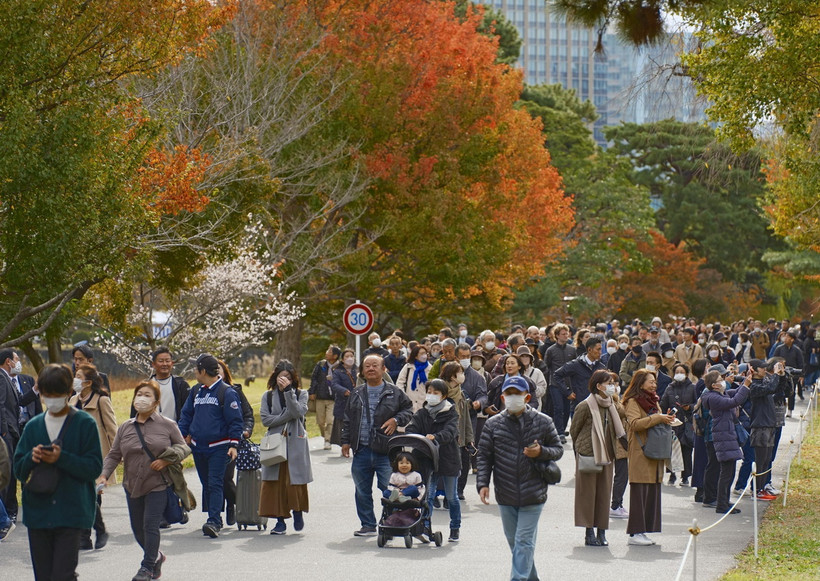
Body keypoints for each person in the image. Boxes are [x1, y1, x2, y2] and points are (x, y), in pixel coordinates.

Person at [13, 364, 102, 581]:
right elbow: (18, 469)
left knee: (62, 575)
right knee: (43, 576)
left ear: (68, 392)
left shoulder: (84, 423)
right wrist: (30, 459)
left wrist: (61, 458)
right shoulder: (34, 426)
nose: (51, 399)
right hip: (38, 512)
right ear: (41, 393)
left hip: (71, 512)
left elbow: (93, 467)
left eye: (57, 394)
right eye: (47, 395)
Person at [98, 381, 190, 581]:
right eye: (139, 394)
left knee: (150, 525)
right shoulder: (125, 427)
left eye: (147, 395)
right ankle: (156, 556)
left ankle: (146, 567)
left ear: (156, 402)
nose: (142, 398)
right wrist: (104, 474)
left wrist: (166, 460)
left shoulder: (167, 425)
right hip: (132, 484)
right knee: (137, 528)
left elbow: (184, 448)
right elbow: (114, 454)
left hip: (158, 484)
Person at [477, 376, 563, 581]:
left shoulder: (543, 421)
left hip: (534, 491)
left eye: (517, 394)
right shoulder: (493, 424)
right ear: (502, 397)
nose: (513, 397)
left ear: (527, 397)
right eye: (509, 394)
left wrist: (541, 451)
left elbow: (558, 450)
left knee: (524, 541)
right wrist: (482, 483)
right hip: (505, 492)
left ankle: (518, 579)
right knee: (515, 543)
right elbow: (484, 455)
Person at [341, 354, 413, 537]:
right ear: (362, 371)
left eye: (375, 365)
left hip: (386, 451)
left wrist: (396, 420)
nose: (371, 369)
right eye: (367, 366)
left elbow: (408, 409)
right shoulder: (356, 393)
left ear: (383, 369)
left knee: (389, 489)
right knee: (361, 490)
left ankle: (390, 522)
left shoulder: (394, 392)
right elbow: (347, 418)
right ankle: (368, 524)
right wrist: (345, 441)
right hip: (362, 449)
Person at [177, 353, 244, 538]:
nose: (193, 371)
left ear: (203, 371)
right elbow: (186, 415)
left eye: (195, 368)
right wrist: (181, 435)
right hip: (199, 446)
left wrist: (233, 444)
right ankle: (214, 516)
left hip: (219, 446)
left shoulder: (226, 392)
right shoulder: (196, 391)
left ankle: (214, 521)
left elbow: (235, 420)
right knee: (206, 483)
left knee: (215, 482)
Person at [570, 369, 627, 547]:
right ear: (598, 386)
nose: (612, 387)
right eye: (609, 383)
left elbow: (622, 418)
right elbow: (574, 430)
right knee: (587, 494)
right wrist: (582, 447)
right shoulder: (585, 405)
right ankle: (589, 532)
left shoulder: (612, 405)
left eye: (613, 383)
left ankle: (602, 531)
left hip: (608, 454)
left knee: (604, 493)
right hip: (589, 454)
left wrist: (615, 400)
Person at [622, 369, 675, 545]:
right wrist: (658, 418)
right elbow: (635, 424)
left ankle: (643, 531)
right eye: (650, 382)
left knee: (651, 493)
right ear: (640, 383)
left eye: (655, 382)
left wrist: (665, 418)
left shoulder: (653, 400)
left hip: (654, 451)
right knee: (640, 493)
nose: (654, 385)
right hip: (640, 451)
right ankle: (635, 533)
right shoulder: (632, 401)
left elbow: (655, 420)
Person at [406, 378, 463, 542]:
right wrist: (418, 437)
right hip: (426, 459)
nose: (431, 396)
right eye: (429, 392)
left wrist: (435, 437)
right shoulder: (422, 413)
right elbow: (411, 428)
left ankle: (455, 527)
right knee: (427, 496)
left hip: (448, 459)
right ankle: (424, 526)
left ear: (443, 395)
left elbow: (450, 432)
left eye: (435, 393)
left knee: (452, 497)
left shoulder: (451, 412)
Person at [260, 360, 313, 535]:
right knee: (274, 482)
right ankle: (280, 521)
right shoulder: (267, 396)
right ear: (275, 378)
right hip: (275, 443)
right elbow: (266, 420)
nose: (284, 380)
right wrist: (285, 415)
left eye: (288, 377)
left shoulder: (300, 393)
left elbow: (298, 413)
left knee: (294, 481)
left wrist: (289, 393)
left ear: (293, 379)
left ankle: (297, 511)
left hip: (295, 443)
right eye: (281, 377)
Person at [70, 363, 117, 550]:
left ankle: (86, 534)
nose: (75, 378)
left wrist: (117, 455)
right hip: (74, 456)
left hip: (95, 456)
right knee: (80, 496)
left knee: (90, 495)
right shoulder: (72, 401)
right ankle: (96, 530)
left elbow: (113, 430)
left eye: (79, 376)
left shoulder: (101, 400)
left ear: (88, 382)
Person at [701, 369, 751, 514]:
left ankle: (724, 501)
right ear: (714, 385)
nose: (723, 381)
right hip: (723, 437)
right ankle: (721, 504)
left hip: (727, 436)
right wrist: (746, 385)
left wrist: (744, 382)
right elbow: (735, 401)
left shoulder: (719, 394)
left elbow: (735, 393)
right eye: (720, 380)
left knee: (728, 471)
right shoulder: (713, 398)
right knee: (726, 472)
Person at [217, 360, 254, 527]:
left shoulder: (235, 391)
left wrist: (246, 430)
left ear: (225, 372)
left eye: (219, 370)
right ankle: (216, 513)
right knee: (213, 479)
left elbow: (248, 414)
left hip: (232, 441)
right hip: (211, 442)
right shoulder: (202, 392)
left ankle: (233, 504)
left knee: (225, 477)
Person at [747, 359, 787, 500]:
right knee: (760, 460)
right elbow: (770, 388)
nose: (765, 370)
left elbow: (778, 391)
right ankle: (756, 490)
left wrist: (782, 376)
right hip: (760, 427)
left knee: (767, 460)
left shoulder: (765, 382)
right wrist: (776, 375)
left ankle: (762, 488)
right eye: (762, 368)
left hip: (769, 425)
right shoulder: (754, 386)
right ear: (755, 370)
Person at [660, 363, 697, 485]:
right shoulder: (669, 387)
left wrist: (689, 407)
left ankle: (685, 476)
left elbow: (697, 404)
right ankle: (672, 474)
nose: (679, 374)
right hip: (673, 422)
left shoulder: (692, 387)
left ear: (686, 374)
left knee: (686, 450)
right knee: (672, 449)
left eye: (682, 372)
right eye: (677, 372)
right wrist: (667, 413)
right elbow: (663, 404)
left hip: (687, 422)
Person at [0, 349, 23, 525]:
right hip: (6, 433)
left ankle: (10, 512)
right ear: (8, 361)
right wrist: (5, 430)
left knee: (11, 472)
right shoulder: (1, 377)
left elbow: (19, 402)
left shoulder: (8, 378)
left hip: (13, 432)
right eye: (16, 359)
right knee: (7, 473)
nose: (18, 362)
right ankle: (7, 514)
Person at [545, 324, 577, 444]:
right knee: (558, 408)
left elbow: (575, 366)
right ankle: (559, 432)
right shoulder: (551, 350)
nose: (566, 336)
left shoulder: (572, 350)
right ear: (557, 335)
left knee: (567, 408)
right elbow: (547, 366)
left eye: (567, 333)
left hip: (568, 383)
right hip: (555, 384)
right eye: (563, 334)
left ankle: (562, 429)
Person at [144, 347, 190, 422]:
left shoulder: (181, 385)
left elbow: (188, 411)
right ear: (153, 364)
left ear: (172, 363)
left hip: (174, 430)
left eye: (167, 361)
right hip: (150, 431)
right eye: (161, 361)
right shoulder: (145, 386)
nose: (164, 364)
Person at [310, 345, 341, 450]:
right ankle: (325, 435)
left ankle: (328, 440)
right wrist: (312, 392)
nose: (327, 352)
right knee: (320, 421)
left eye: (329, 351)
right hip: (320, 396)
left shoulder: (340, 366)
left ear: (335, 356)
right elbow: (314, 378)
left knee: (330, 420)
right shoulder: (321, 364)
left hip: (333, 399)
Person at [330, 348, 357, 451]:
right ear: (342, 359)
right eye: (347, 356)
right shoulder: (337, 371)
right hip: (343, 402)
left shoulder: (358, 370)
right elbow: (334, 384)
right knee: (343, 424)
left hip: (356, 402)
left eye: (351, 356)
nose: (350, 358)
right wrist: (344, 391)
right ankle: (344, 445)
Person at [396, 344, 431, 411]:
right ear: (416, 356)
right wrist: (404, 397)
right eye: (421, 353)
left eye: (425, 353)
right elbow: (400, 383)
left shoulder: (430, 368)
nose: (424, 355)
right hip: (409, 402)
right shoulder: (408, 367)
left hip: (424, 403)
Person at [517, 346, 547, 411]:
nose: (525, 358)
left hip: (534, 409)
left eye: (527, 356)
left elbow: (543, 390)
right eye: (522, 356)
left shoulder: (537, 372)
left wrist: (532, 390)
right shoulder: (515, 372)